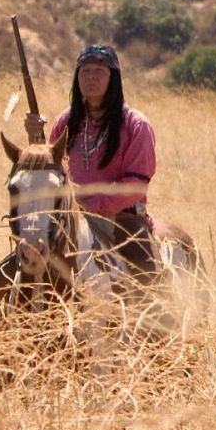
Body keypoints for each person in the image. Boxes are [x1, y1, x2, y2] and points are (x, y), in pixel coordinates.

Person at [22, 43, 157, 279]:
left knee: (147, 279)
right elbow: (50, 168)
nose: (90, 78)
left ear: (113, 78)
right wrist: (35, 136)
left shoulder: (136, 125)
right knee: (14, 269)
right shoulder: (66, 121)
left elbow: (136, 184)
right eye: (85, 71)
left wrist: (90, 204)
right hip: (68, 218)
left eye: (98, 72)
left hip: (121, 220)